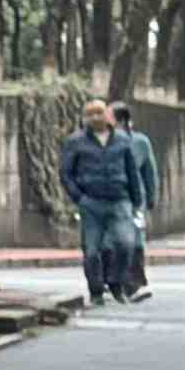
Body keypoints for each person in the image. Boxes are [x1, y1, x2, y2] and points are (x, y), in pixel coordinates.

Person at [60, 102, 157, 305]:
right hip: (91, 202)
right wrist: (78, 197)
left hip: (120, 200)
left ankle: (116, 283)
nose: (95, 117)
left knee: (125, 244)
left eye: (99, 113)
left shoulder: (122, 140)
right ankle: (96, 290)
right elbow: (66, 173)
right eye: (90, 114)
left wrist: (137, 201)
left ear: (107, 115)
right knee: (92, 250)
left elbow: (132, 171)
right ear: (84, 118)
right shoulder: (75, 142)